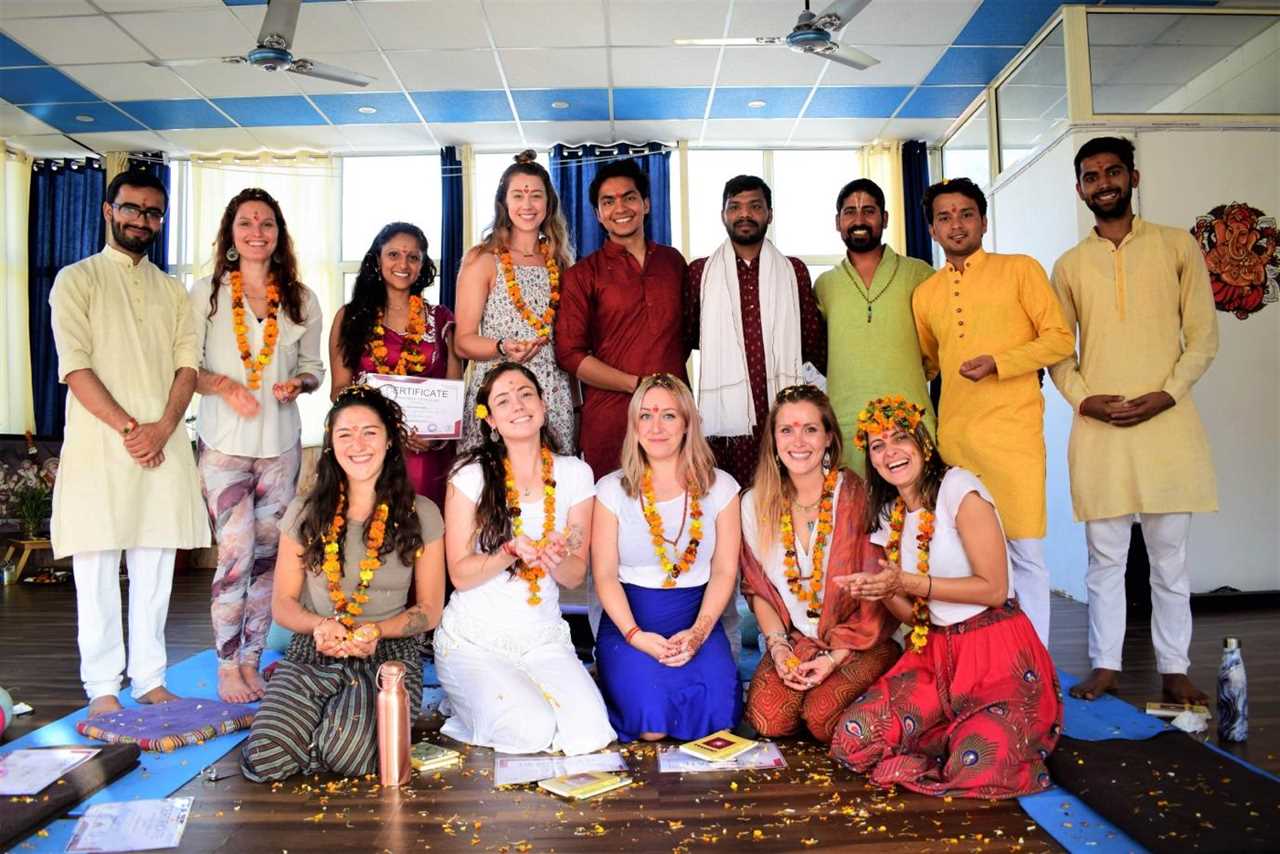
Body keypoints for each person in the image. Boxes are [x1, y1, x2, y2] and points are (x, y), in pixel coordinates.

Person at [1049, 136, 1218, 705]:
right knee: (1105, 559)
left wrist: (1167, 394)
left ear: (1133, 178)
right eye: (1092, 176)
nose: (1104, 183)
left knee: (1170, 558)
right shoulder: (1069, 266)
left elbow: (1202, 337)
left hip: (1168, 425)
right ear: (1079, 190)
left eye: (1113, 172)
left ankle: (1174, 667)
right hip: (1101, 429)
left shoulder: (1177, 248)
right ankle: (1105, 664)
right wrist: (1082, 399)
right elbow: (1056, 350)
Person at [828, 395, 1061, 799]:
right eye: (878, 445)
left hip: (996, 659)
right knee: (854, 737)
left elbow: (994, 589)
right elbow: (914, 617)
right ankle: (942, 736)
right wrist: (883, 590)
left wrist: (911, 583)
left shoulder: (960, 488)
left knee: (982, 762)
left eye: (900, 438)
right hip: (934, 656)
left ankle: (956, 741)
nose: (890, 452)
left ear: (923, 442)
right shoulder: (890, 511)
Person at [49, 170, 210, 718]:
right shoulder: (76, 280)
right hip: (101, 449)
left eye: (153, 212)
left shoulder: (171, 291)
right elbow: (75, 367)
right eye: (133, 209)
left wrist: (163, 427)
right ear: (108, 211)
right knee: (95, 566)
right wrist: (130, 429)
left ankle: (150, 678)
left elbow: (187, 366)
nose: (142, 220)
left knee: (155, 565)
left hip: (162, 446)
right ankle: (101, 686)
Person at [241, 385, 445, 781]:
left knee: (350, 754)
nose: (358, 444)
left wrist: (376, 631)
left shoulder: (421, 513)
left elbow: (430, 609)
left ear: (388, 441)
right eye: (344, 434)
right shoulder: (305, 511)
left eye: (370, 431)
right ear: (331, 444)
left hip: (389, 653)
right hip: (314, 648)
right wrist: (320, 626)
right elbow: (282, 603)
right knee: (265, 758)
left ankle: (318, 735)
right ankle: (310, 728)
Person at [912, 178, 1074, 645]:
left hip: (1014, 436)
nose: (956, 225)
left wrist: (1002, 363)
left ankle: (1036, 668)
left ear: (983, 220)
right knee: (969, 557)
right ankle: (988, 664)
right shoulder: (927, 294)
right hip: (957, 441)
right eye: (944, 217)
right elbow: (926, 361)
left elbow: (1059, 338)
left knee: (1025, 554)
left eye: (966, 214)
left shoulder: (1020, 270)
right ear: (933, 230)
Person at [434, 363, 615, 755]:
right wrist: (506, 552)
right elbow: (460, 576)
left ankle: (511, 693)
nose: (517, 404)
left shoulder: (576, 474)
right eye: (503, 399)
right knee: (530, 732)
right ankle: (465, 701)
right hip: (476, 640)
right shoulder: (469, 476)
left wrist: (555, 557)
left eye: (526, 394)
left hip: (542, 639)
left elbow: (573, 576)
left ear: (544, 404)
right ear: (491, 420)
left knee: (590, 733)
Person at [190, 187, 325, 704]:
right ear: (230, 233)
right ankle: (226, 662)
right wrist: (224, 386)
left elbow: (314, 369)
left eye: (266, 223)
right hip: (223, 445)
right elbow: (186, 369)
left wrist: (300, 386)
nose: (256, 233)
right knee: (236, 551)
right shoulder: (204, 294)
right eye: (246, 223)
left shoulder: (301, 299)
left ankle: (252, 660)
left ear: (278, 234)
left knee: (270, 556)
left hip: (280, 446)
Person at [740, 385, 899, 743]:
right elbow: (757, 587)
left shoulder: (858, 496)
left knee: (823, 719)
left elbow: (878, 594)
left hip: (861, 640)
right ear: (773, 440)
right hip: (798, 640)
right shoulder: (754, 504)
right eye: (787, 430)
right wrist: (779, 647)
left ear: (828, 437)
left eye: (810, 429)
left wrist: (832, 660)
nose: (798, 441)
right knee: (768, 721)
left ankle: (879, 670)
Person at [593, 374, 742, 741]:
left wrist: (698, 633)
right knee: (652, 728)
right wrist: (636, 636)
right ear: (633, 425)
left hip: (697, 621)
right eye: (645, 416)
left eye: (669, 416)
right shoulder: (611, 490)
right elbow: (605, 577)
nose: (656, 427)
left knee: (718, 721)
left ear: (687, 423)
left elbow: (724, 571)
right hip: (630, 624)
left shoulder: (721, 487)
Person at [685, 175, 826, 488]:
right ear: (724, 215)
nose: (744, 214)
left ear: (770, 214)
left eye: (755, 206)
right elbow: (691, 337)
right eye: (735, 207)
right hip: (728, 420)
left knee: (787, 494)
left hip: (780, 407)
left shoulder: (794, 271)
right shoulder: (700, 272)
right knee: (729, 496)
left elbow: (812, 342)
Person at [556, 158, 689, 478]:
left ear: (645, 204)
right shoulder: (582, 274)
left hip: (674, 413)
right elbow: (569, 355)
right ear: (598, 215)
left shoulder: (672, 262)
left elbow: (685, 336)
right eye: (608, 201)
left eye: (629, 197)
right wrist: (637, 385)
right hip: (611, 418)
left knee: (682, 510)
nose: (620, 207)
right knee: (613, 516)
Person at [331, 221, 461, 506]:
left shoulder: (441, 319)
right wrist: (385, 424)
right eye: (394, 254)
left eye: (413, 257)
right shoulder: (350, 317)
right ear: (377, 260)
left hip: (428, 453)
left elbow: (454, 392)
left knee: (428, 534)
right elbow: (339, 389)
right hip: (367, 449)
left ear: (422, 266)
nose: (403, 263)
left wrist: (436, 436)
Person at [455, 150, 575, 453]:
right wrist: (502, 347)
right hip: (498, 391)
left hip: (551, 392)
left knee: (552, 486)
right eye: (518, 195)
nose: (527, 204)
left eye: (536, 195)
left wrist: (576, 403)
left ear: (548, 205)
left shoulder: (562, 262)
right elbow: (463, 342)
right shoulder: (483, 258)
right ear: (504, 203)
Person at [813, 179, 935, 474]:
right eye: (849, 212)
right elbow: (817, 353)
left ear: (885, 218)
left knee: (917, 515)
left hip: (911, 422)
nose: (858, 220)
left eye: (868, 211)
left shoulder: (919, 274)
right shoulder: (825, 285)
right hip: (846, 426)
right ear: (838, 222)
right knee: (852, 516)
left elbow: (941, 344)